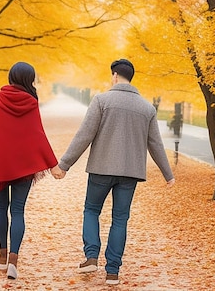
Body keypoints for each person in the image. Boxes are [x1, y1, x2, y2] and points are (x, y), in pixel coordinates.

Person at [52, 58, 175, 285]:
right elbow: (155, 143)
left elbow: (84, 134)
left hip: (101, 168)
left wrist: (64, 164)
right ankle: (113, 272)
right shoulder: (147, 108)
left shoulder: (101, 100)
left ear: (115, 76)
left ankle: (91, 256)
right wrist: (168, 174)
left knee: (91, 210)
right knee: (120, 219)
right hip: (130, 173)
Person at [0, 62, 58, 280]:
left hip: (0, 163)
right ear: (30, 79)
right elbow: (37, 134)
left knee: (2, 207)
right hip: (24, 166)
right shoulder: (31, 102)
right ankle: (13, 260)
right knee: (18, 210)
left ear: (11, 76)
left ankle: (1, 256)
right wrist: (52, 163)